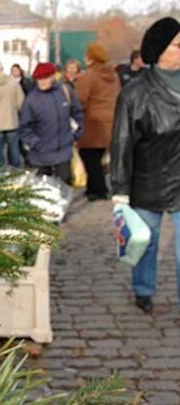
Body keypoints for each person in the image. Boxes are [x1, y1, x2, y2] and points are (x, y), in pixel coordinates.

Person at [111, 17, 180, 314]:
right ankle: (143, 290)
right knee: (146, 243)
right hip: (147, 181)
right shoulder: (135, 93)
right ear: (161, 49)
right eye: (178, 44)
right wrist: (120, 190)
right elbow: (122, 142)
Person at [19, 63, 84, 183]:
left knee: (65, 186)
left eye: (46, 78)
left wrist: (75, 135)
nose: (42, 82)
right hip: (41, 154)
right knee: (44, 190)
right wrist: (36, 143)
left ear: (53, 77)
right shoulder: (31, 100)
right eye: (39, 79)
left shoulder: (65, 91)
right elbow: (25, 128)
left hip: (63, 151)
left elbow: (77, 113)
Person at [74, 42, 120, 201]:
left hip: (93, 124)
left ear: (91, 58)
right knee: (98, 158)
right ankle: (95, 188)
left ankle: (98, 190)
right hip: (111, 122)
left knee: (89, 156)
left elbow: (80, 100)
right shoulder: (113, 75)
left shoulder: (88, 76)